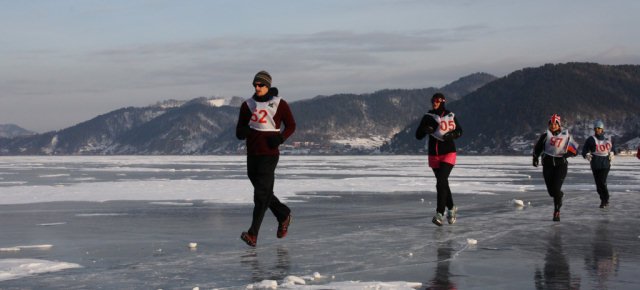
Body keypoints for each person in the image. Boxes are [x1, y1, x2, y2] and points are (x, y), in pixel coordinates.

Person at [236, 70, 296, 247]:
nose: (257, 87)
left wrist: (281, 138)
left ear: (268, 85)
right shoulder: (247, 105)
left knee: (261, 195)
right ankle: (283, 214)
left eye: (260, 84)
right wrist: (242, 132)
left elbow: (292, 125)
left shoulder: (279, 104)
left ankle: (253, 234)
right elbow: (239, 129)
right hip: (252, 154)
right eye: (255, 84)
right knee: (265, 193)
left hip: (269, 154)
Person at [415, 93, 463, 226]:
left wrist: (451, 135)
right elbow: (417, 136)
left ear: (442, 102)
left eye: (436, 101)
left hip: (448, 153)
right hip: (434, 155)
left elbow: (459, 131)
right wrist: (425, 129)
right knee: (443, 183)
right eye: (432, 101)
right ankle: (452, 208)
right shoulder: (428, 116)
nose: (434, 103)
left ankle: (440, 214)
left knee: (441, 182)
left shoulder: (450, 115)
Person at [532, 114, 578, 222]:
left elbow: (575, 150)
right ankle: (559, 195)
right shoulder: (545, 136)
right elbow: (537, 148)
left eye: (555, 124)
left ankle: (556, 211)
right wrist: (535, 158)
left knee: (556, 189)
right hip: (547, 165)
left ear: (559, 125)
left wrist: (566, 155)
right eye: (551, 124)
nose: (553, 126)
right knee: (551, 192)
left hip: (560, 165)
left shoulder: (566, 135)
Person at [581, 120, 616, 208]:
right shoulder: (590, 139)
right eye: (596, 128)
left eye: (599, 128)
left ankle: (606, 199)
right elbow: (584, 150)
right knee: (598, 185)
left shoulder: (608, 139)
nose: (597, 130)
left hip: (605, 164)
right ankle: (602, 199)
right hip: (595, 164)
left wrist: (612, 153)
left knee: (602, 181)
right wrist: (586, 155)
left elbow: (614, 149)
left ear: (602, 129)